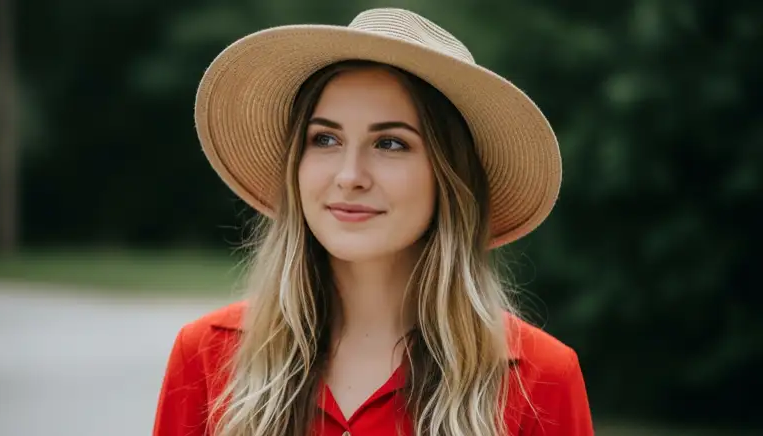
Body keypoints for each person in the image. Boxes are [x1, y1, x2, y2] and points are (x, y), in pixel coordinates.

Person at [153, 7, 593, 436]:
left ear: (449, 178)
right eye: (325, 138)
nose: (350, 176)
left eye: (390, 144)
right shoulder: (207, 355)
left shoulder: (540, 378)